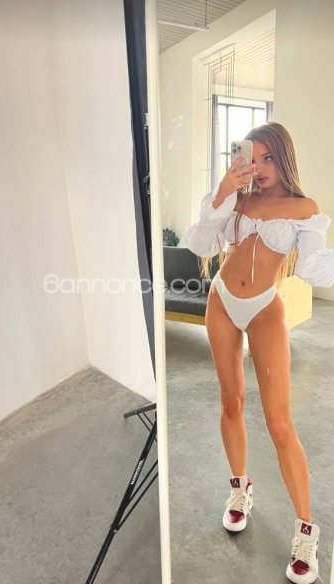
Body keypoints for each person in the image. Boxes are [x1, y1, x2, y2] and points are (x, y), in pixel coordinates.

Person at [180, 122, 334, 584]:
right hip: (222, 300)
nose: (261, 167)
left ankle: (306, 530)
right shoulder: (238, 199)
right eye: (254, 156)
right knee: (231, 401)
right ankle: (239, 488)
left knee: (279, 422)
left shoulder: (304, 209)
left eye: (269, 158)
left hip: (265, 308)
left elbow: (314, 268)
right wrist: (223, 192)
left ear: (284, 159)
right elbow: (200, 243)